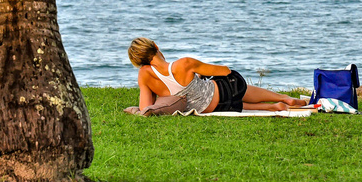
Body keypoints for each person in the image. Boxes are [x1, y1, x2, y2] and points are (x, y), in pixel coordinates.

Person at [128, 37, 306, 113]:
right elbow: (225, 70)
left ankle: (272, 106)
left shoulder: (144, 76)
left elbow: (145, 108)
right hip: (223, 93)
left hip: (211, 108)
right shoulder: (184, 64)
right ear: (156, 47)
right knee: (229, 79)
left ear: (138, 61)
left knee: (222, 99)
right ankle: (283, 97)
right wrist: (198, 72)